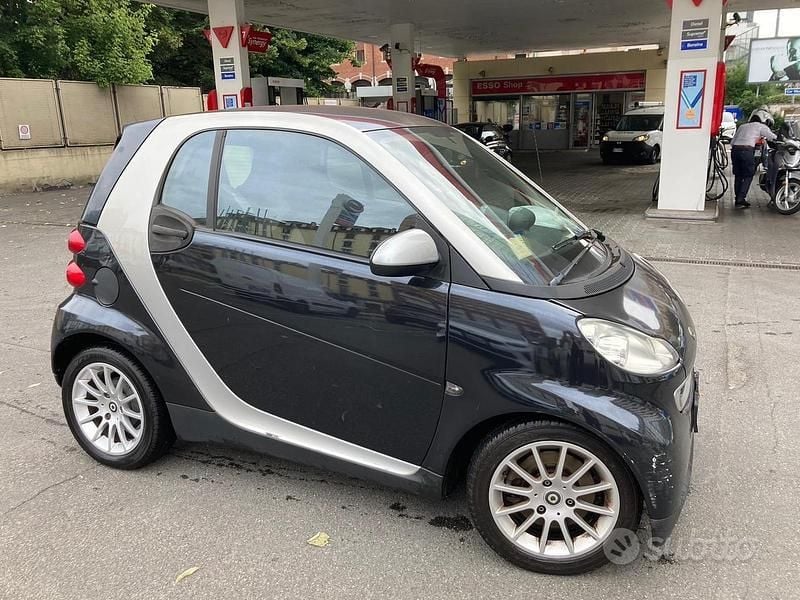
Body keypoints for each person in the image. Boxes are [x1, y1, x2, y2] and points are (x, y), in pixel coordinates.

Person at [729, 107, 777, 208]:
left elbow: (732, 142)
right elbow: (773, 137)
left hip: (735, 151)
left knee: (738, 175)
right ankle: (740, 200)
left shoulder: (742, 126)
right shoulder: (761, 127)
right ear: (765, 120)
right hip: (747, 151)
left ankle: (737, 198)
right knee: (748, 175)